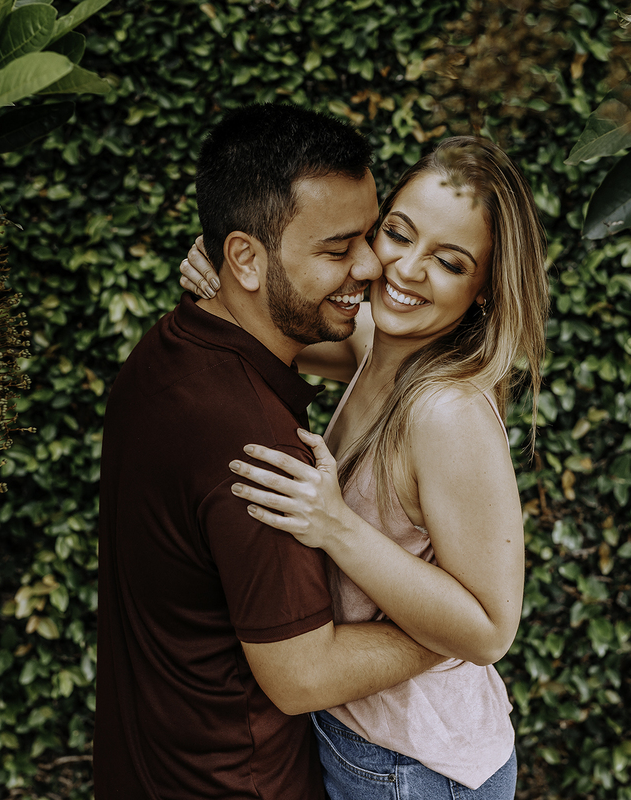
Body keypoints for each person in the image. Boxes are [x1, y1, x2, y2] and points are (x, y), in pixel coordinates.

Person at [180, 136, 551, 799]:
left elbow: (492, 628)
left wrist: (334, 526)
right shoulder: (380, 341)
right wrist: (234, 277)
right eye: (398, 235)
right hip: (366, 739)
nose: (407, 269)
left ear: (486, 292)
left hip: (413, 768)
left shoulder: (446, 412)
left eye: (448, 261)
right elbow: (286, 329)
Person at [95, 103, 445, 800]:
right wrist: (452, 631)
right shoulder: (256, 448)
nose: (373, 265)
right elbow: (303, 675)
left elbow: (379, 352)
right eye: (337, 248)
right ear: (245, 258)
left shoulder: (165, 354)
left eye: (370, 235)